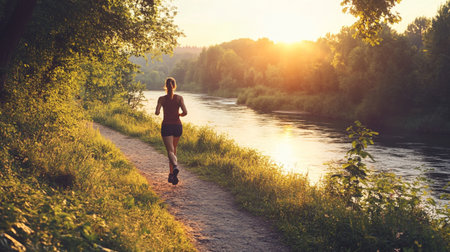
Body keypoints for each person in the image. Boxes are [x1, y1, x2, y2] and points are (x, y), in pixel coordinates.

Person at [155, 77, 187, 185]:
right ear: (174, 86)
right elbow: (185, 112)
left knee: (170, 151)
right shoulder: (179, 98)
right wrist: (179, 114)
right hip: (178, 126)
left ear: (165, 86)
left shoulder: (162, 99)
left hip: (167, 126)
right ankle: (172, 175)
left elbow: (157, 112)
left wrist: (159, 108)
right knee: (173, 151)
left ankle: (175, 167)